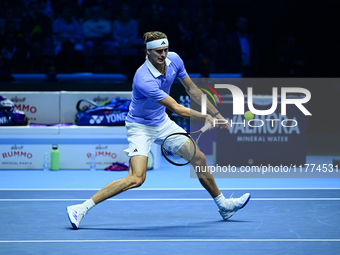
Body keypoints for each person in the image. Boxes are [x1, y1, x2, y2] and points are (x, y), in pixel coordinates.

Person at [66, 31, 251, 229]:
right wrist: (206, 117)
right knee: (136, 178)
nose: (163, 55)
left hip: (161, 122)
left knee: (199, 158)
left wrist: (217, 114)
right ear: (147, 52)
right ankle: (81, 208)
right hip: (140, 127)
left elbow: (192, 90)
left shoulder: (174, 60)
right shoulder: (143, 78)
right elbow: (177, 108)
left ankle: (223, 205)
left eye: (165, 50)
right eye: (158, 51)